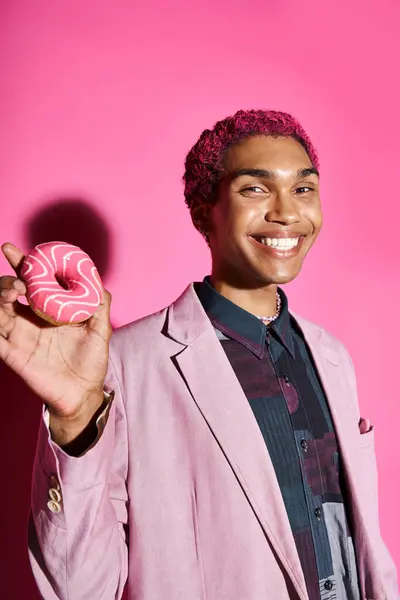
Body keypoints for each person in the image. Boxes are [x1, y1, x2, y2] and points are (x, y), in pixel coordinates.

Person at [0, 109, 398, 600]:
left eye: (303, 188)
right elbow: (80, 588)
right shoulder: (123, 366)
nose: (288, 212)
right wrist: (74, 416)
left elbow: (357, 545)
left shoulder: (333, 357)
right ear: (202, 210)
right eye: (255, 189)